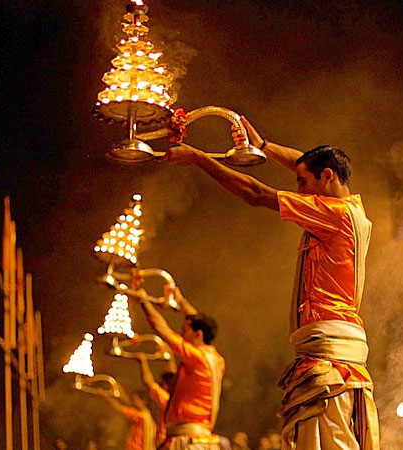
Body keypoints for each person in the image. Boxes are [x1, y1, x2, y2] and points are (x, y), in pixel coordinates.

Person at [164, 119, 379, 449]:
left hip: (332, 362)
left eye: (303, 183)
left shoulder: (333, 213)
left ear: (328, 178)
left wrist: (199, 159)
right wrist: (263, 145)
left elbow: (255, 193)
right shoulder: (353, 210)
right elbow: (302, 163)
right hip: (331, 353)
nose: (299, 192)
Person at [130, 286, 225, 450]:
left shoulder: (197, 357)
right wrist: (181, 301)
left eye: (184, 331)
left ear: (198, 335)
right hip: (197, 440)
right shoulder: (216, 360)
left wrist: (144, 301)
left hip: (186, 441)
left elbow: (161, 329)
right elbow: (197, 321)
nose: (182, 335)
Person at [135, 347, 177, 446]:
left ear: (166, 385)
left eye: (161, 384)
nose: (160, 385)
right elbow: (172, 375)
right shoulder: (176, 397)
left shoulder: (166, 399)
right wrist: (169, 357)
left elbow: (148, 382)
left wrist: (142, 362)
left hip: (165, 443)